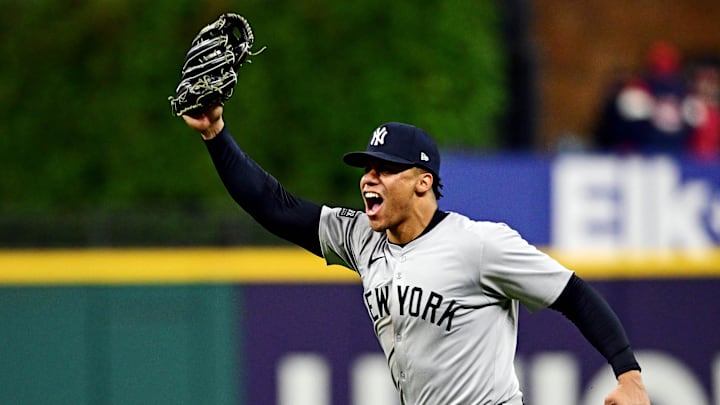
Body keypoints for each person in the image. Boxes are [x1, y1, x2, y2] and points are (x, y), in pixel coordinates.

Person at [182, 105, 650, 405]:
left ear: (423, 181)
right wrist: (216, 134)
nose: (369, 178)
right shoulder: (361, 238)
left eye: (384, 169)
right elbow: (272, 205)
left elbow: (573, 294)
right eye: (367, 169)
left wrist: (629, 376)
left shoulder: (480, 244)